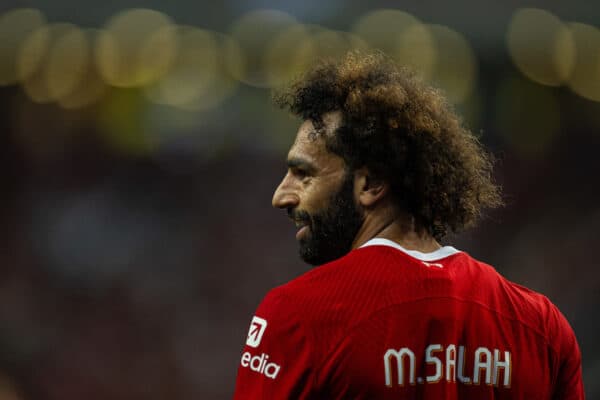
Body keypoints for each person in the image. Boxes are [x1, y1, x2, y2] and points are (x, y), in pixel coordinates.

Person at [233, 51, 584, 399]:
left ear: (370, 184)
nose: (281, 195)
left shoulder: (298, 315)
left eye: (303, 174)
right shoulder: (542, 327)